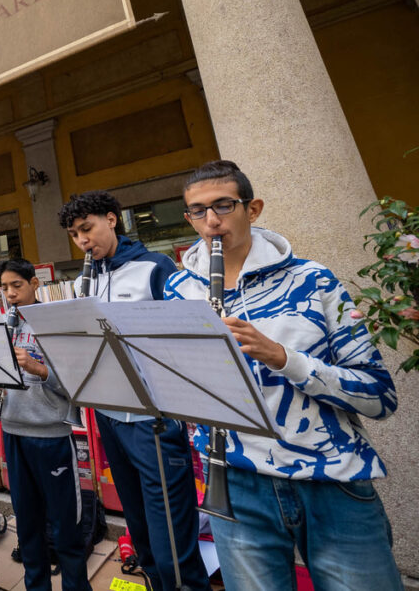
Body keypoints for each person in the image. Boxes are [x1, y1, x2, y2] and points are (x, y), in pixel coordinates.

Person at [165, 160, 401, 591]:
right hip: (235, 484)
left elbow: (380, 396)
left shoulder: (313, 280)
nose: (212, 221)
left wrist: (282, 357)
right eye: (198, 211)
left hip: (331, 482)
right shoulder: (177, 290)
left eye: (223, 205)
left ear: (252, 209)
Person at [57, 191, 209, 591]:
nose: (83, 241)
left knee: (170, 536)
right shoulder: (82, 281)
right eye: (75, 235)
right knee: (139, 530)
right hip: (109, 415)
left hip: (152, 420)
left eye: (87, 229)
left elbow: (180, 343)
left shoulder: (154, 268)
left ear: (112, 219)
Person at [0, 258, 90, 591]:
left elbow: (77, 384)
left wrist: (38, 368)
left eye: (16, 286)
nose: (10, 294)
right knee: (28, 525)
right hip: (11, 432)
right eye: (4, 288)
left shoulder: (56, 323)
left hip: (50, 435)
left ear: (35, 284)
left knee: (65, 527)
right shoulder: (0, 325)